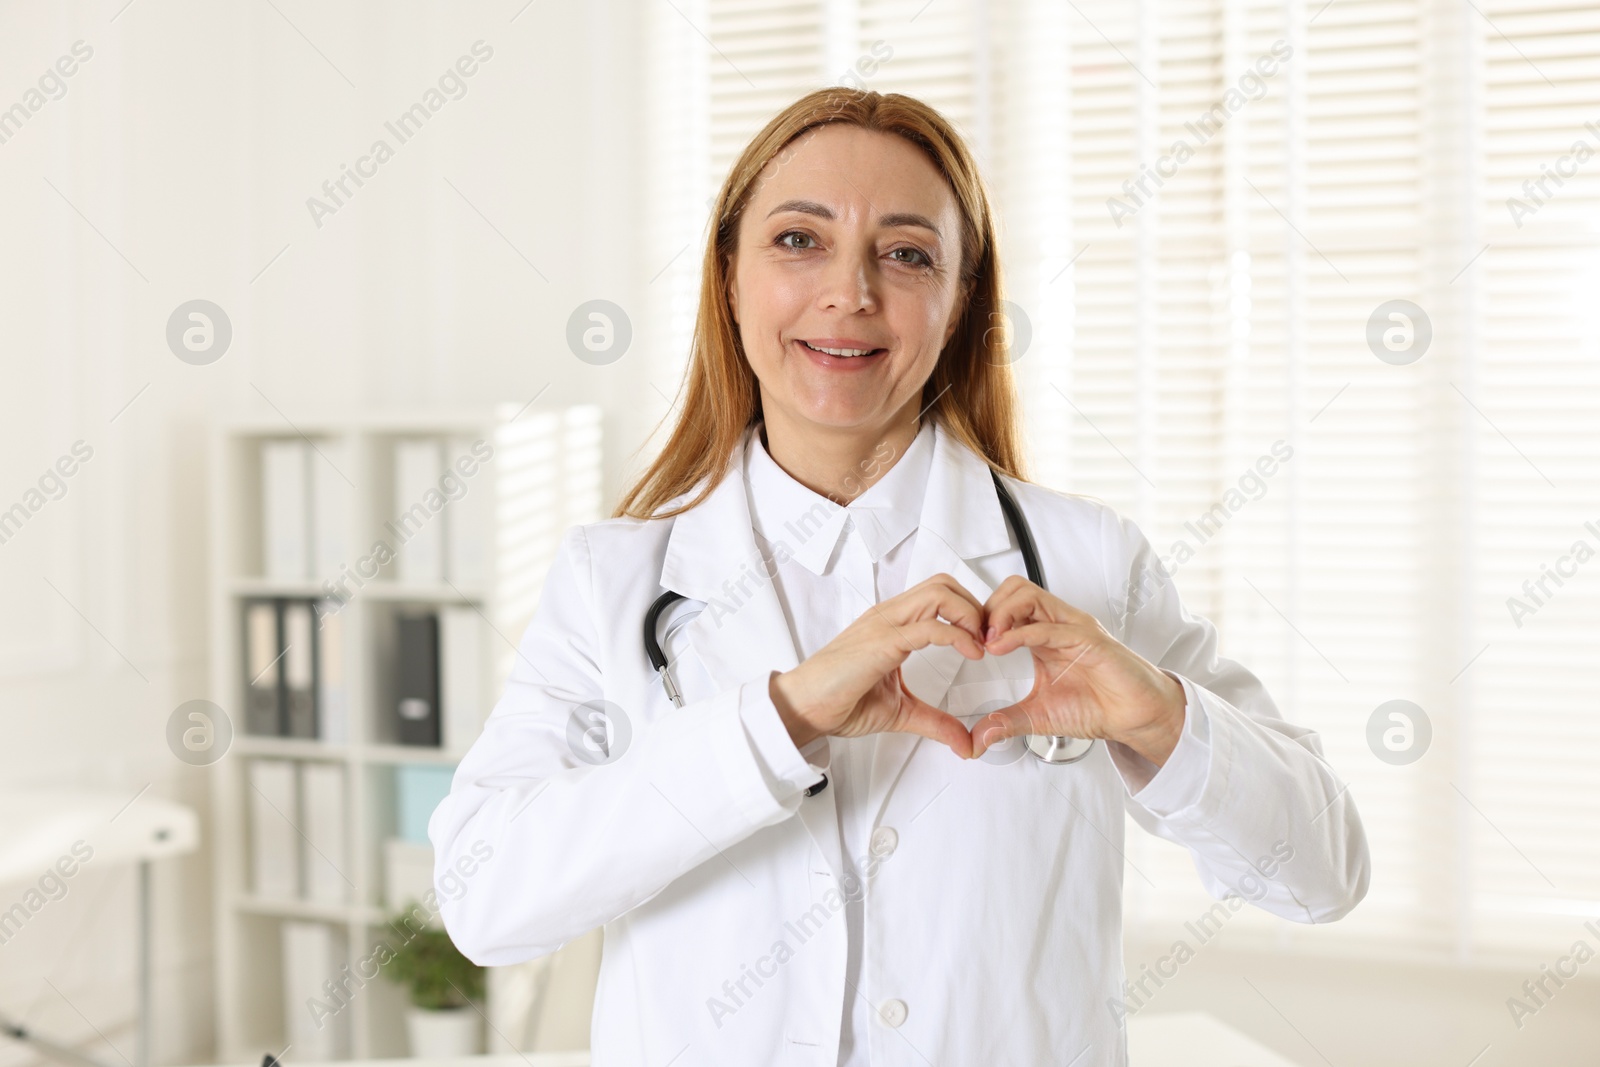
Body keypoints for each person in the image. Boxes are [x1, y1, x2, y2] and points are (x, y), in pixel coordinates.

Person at [431, 87, 1370, 1066]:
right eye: (798, 239)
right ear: (728, 276)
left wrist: (1160, 718)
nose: (850, 292)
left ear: (962, 299)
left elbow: (1322, 871)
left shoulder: (1088, 564)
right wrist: (778, 718)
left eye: (906, 253)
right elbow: (486, 901)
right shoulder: (612, 581)